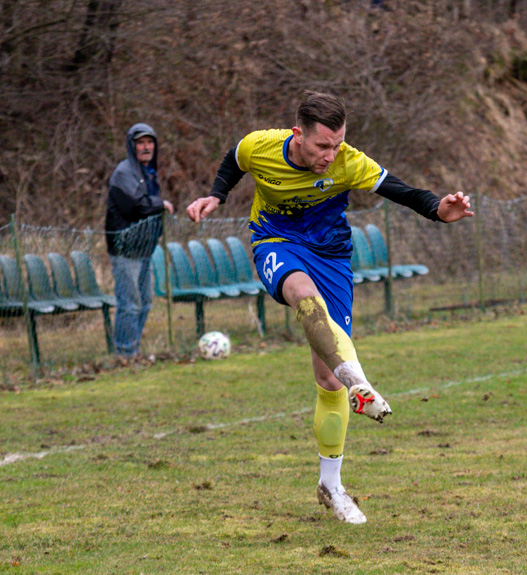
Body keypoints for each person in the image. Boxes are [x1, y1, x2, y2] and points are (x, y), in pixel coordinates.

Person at [186, 91, 473, 524]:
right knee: (302, 294)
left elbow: (400, 190)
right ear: (297, 134)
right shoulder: (261, 146)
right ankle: (360, 381)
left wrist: (437, 208)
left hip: (333, 257)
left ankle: (330, 484)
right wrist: (217, 196)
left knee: (326, 378)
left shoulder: (347, 161)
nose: (330, 154)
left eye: (337, 144)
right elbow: (234, 159)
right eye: (323, 146)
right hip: (276, 242)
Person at [105, 123, 175, 359]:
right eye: (140, 143)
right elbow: (136, 204)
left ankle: (133, 351)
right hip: (125, 251)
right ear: (131, 146)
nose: (146, 147)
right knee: (129, 303)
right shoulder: (124, 172)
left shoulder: (148, 173)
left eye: (150, 142)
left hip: (143, 248)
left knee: (145, 302)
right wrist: (161, 204)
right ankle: (124, 354)